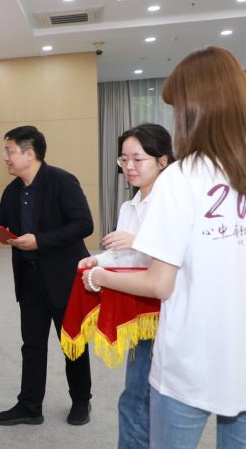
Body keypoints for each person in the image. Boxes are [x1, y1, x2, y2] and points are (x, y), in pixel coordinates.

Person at [82, 46, 246, 448]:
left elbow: (159, 283)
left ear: (193, 109)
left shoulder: (182, 177)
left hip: (192, 359)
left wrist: (99, 275)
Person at [0, 125, 94, 427]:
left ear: (29, 154)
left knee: (72, 343)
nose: (5, 157)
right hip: (30, 279)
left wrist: (39, 241)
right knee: (32, 345)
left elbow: (84, 224)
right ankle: (30, 406)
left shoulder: (62, 181)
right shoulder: (13, 190)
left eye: (9, 151)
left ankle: (81, 400)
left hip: (63, 278)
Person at [78, 123, 175, 449]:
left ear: (162, 160)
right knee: (140, 392)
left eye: (137, 158)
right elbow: (124, 256)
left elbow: (176, 256)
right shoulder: (129, 205)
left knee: (139, 397)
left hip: (165, 308)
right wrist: (97, 260)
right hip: (139, 307)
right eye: (123, 159)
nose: (129, 166)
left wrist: (137, 240)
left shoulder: (173, 202)